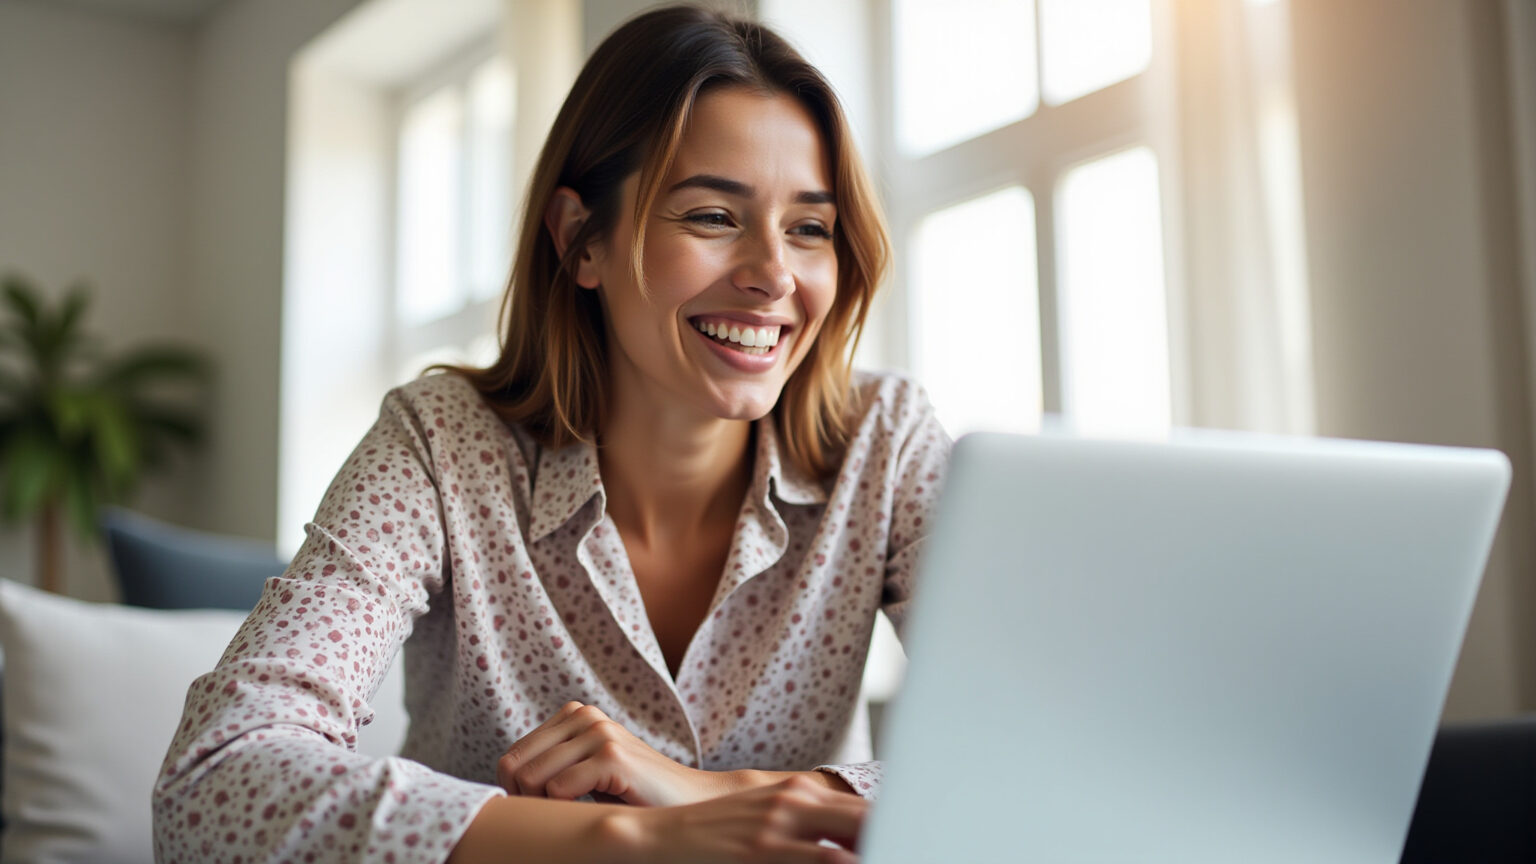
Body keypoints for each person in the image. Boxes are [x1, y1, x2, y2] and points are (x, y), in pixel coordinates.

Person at [153, 5, 950, 863]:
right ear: (581, 241)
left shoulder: (886, 442)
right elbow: (214, 784)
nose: (772, 275)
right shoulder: (441, 445)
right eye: (713, 217)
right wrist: (632, 838)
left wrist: (713, 794)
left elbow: (1063, 750)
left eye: (809, 228)